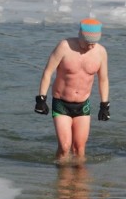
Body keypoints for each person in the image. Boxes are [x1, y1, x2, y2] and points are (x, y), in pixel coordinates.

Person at [35, 18, 110, 163]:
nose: (90, 47)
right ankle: (62, 181)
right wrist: (41, 99)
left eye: (93, 43)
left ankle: (80, 182)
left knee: (79, 148)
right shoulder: (64, 47)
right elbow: (48, 72)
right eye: (87, 43)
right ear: (80, 35)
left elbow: (103, 79)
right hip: (61, 103)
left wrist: (104, 105)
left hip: (83, 105)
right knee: (64, 146)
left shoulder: (100, 52)